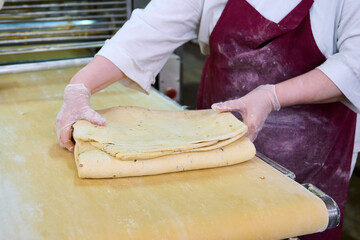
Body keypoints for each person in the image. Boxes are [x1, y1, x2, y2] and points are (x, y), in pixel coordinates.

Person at [55, 0, 360, 239]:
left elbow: (354, 63)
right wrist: (81, 87)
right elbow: (152, 27)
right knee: (214, 223)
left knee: (295, 224)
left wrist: (271, 97)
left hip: (311, 154)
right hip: (215, 144)